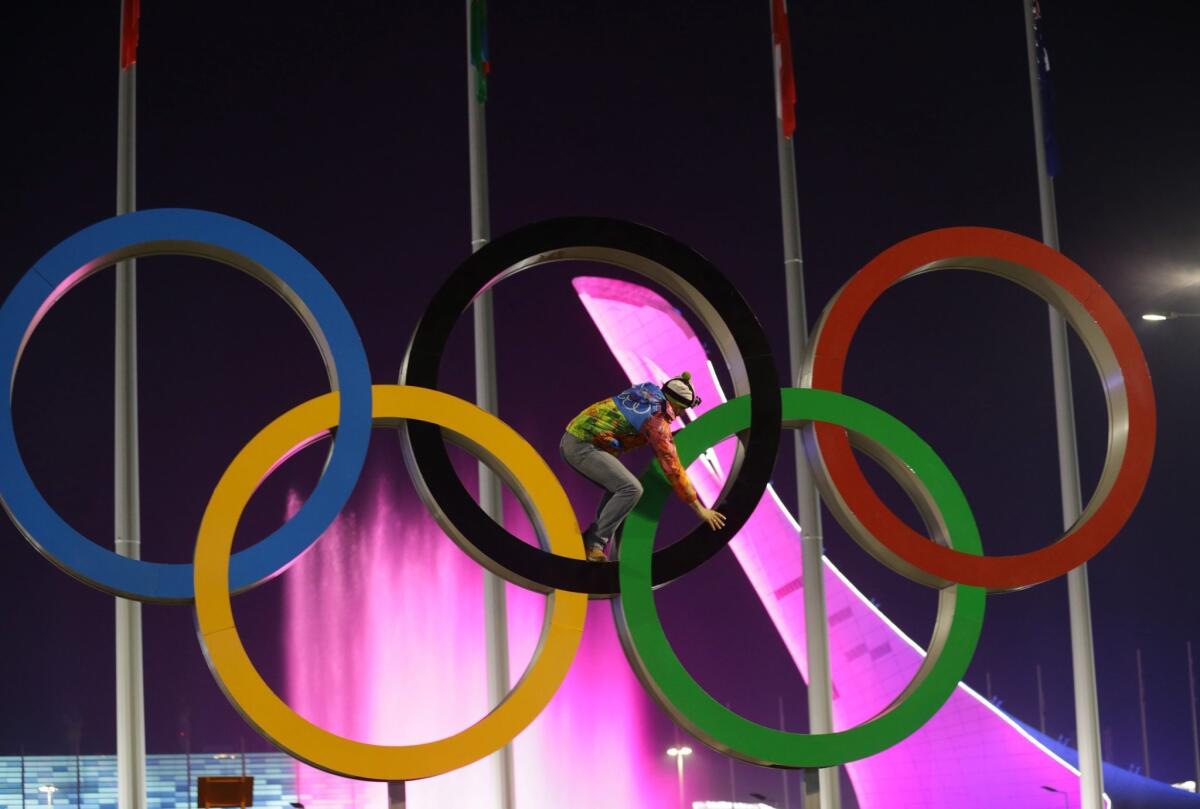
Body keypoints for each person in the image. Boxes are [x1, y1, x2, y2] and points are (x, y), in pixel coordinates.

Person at [559, 371, 726, 562]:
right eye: (681, 409)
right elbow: (671, 466)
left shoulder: (646, 394)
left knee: (620, 489)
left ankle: (592, 541)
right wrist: (699, 508)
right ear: (675, 404)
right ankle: (593, 545)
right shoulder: (656, 420)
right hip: (582, 446)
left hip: (577, 438)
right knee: (631, 489)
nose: (680, 414)